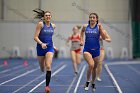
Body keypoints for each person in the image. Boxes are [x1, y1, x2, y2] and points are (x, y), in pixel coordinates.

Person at [80, 12, 108, 92]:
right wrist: (81, 40)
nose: (92, 19)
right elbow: (81, 32)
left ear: (96, 19)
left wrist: (101, 28)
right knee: (91, 65)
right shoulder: (85, 26)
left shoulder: (99, 27)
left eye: (93, 17)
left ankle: (93, 82)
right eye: (90, 17)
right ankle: (87, 81)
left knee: (95, 68)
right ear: (89, 19)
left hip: (96, 50)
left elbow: (103, 37)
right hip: (87, 50)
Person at [33, 9, 56, 93]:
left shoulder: (53, 26)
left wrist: (53, 45)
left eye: (49, 15)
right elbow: (35, 37)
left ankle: (47, 87)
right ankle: (42, 66)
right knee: (42, 68)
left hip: (49, 47)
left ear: (51, 17)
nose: (48, 17)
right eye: (46, 15)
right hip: (40, 48)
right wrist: (41, 43)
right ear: (43, 17)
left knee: (48, 66)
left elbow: (50, 37)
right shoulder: (40, 24)